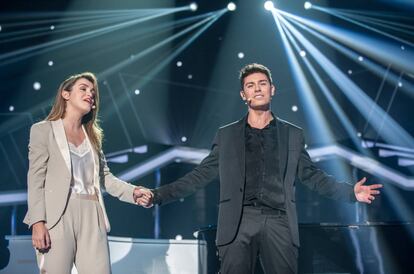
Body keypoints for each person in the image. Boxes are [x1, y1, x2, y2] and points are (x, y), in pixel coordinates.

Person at [136, 63, 382, 274]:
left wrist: (351, 192)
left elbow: (311, 175)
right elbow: (199, 175)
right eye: (250, 85)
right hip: (238, 222)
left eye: (262, 83)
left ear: (272, 90)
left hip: (279, 222)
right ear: (244, 95)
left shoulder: (292, 135)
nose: (257, 89)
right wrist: (158, 195)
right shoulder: (227, 135)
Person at [23, 72, 152, 274]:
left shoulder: (92, 137)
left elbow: (105, 178)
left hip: (93, 213)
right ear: (66, 94)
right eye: (83, 88)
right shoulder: (43, 130)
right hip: (58, 215)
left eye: (92, 91)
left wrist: (133, 191)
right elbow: (35, 179)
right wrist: (37, 223)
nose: (90, 94)